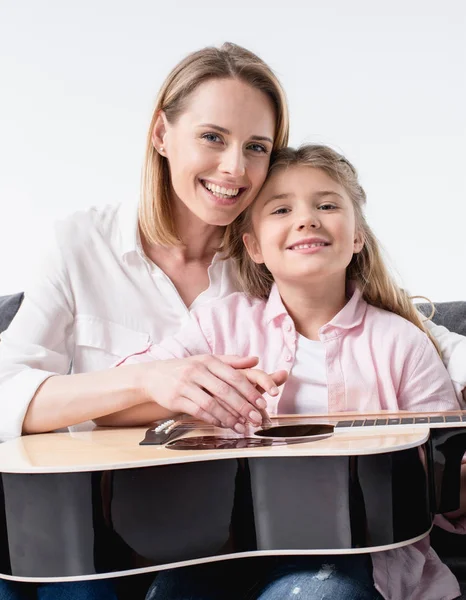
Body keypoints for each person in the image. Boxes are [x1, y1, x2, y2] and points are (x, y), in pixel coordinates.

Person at [0, 42, 289, 600]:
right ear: (161, 135)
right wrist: (146, 379)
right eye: (212, 137)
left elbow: (404, 323)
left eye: (257, 147)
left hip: (222, 539)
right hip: (89, 538)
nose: (235, 168)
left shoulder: (275, 258)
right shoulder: (80, 245)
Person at [119, 144, 466, 600]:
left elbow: (443, 487)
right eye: (281, 208)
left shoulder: (403, 344)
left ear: (357, 235)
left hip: (361, 554)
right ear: (254, 246)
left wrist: (455, 483)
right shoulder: (219, 324)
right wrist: (197, 391)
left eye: (326, 205)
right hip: (224, 549)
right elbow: (125, 392)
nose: (307, 219)